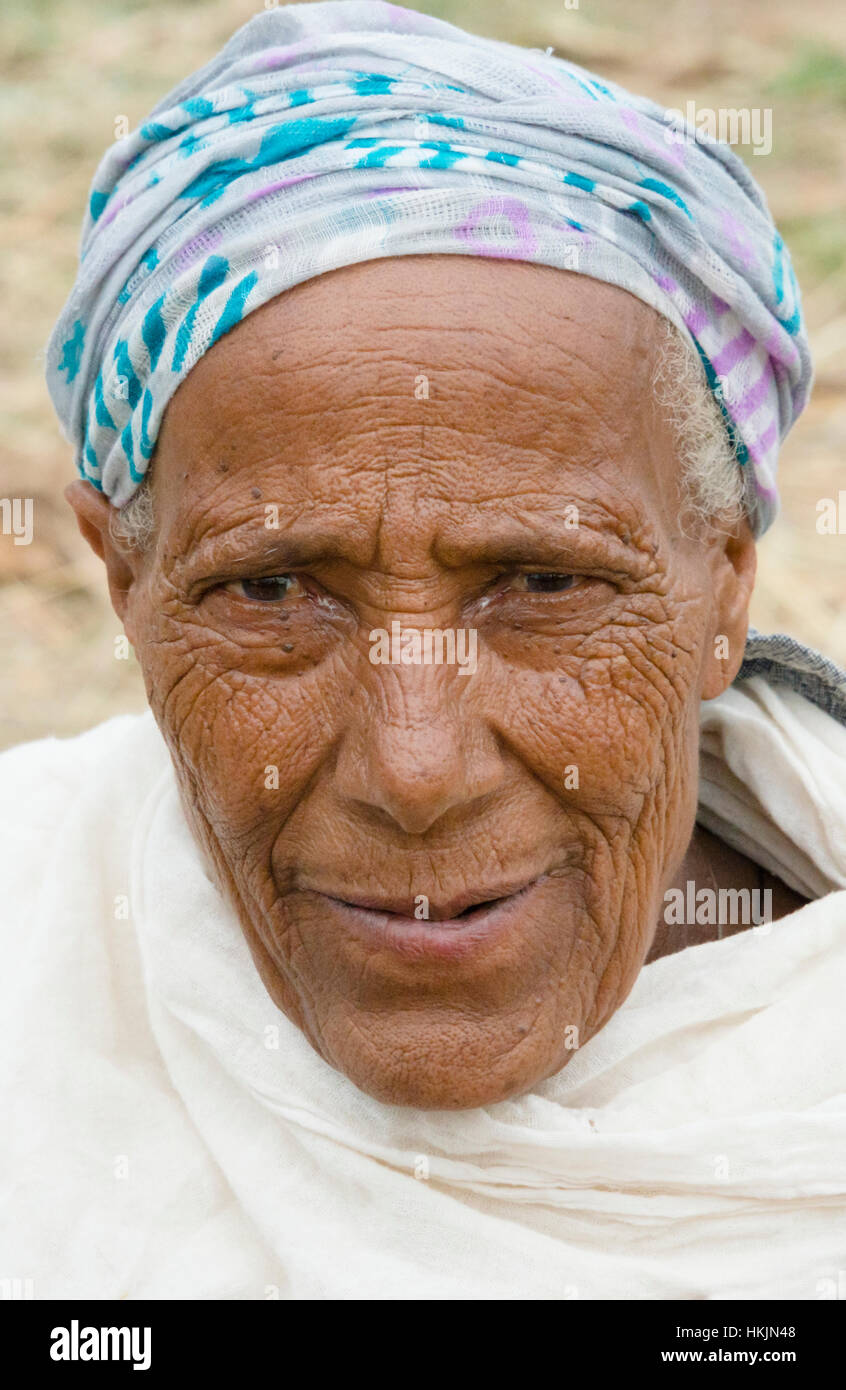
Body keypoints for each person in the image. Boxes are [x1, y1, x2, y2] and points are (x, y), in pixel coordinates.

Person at [3, 1, 845, 1299]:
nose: (415, 769)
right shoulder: (30, 931)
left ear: (723, 581)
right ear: (124, 581)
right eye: (274, 587)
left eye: (545, 581)